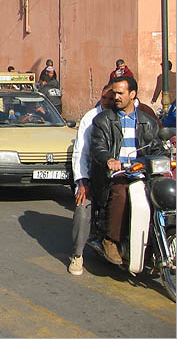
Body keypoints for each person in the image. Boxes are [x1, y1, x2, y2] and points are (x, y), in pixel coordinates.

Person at [89, 76, 161, 265]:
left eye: (121, 93)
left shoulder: (148, 121)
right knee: (121, 193)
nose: (116, 97)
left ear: (133, 94)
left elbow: (156, 147)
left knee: (161, 194)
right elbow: (98, 147)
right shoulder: (103, 120)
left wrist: (162, 158)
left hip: (142, 173)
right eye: (114, 93)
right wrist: (109, 160)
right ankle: (111, 239)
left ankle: (156, 240)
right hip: (115, 175)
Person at [68, 84, 115, 276]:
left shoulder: (132, 117)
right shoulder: (91, 118)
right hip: (95, 176)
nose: (110, 101)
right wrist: (83, 181)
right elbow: (81, 152)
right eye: (106, 98)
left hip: (123, 176)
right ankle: (77, 255)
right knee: (83, 209)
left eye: (113, 98)